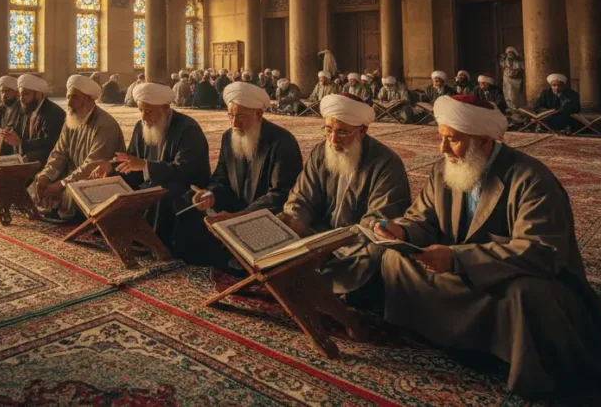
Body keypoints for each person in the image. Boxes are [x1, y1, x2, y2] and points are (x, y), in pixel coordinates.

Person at [375, 94, 601, 397]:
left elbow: (539, 252)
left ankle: (506, 354)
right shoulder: (443, 169)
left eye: (454, 140)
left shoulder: (531, 179)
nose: (443, 149)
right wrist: (402, 231)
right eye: (441, 138)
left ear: (485, 141)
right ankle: (441, 334)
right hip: (461, 273)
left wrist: (458, 259)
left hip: (506, 277)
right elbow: (424, 221)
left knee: (524, 294)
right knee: (395, 260)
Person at [280, 94, 410, 295]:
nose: (332, 139)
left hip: (356, 243)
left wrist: (335, 243)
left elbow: (380, 218)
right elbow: (302, 197)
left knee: (377, 253)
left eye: (342, 132)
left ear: (362, 131)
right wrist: (296, 220)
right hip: (319, 234)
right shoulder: (320, 153)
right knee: (283, 233)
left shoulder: (386, 163)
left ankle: (324, 286)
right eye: (328, 129)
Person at [187, 81, 302, 266]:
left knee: (234, 263)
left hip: (266, 216)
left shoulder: (282, 141)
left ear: (258, 113)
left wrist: (240, 217)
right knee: (192, 235)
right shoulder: (228, 137)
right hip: (234, 211)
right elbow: (221, 178)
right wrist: (210, 195)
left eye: (240, 116)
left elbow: (281, 194)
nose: (234, 123)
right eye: (230, 115)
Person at [109, 83, 211, 256]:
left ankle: (154, 241)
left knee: (159, 192)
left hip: (184, 187)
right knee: (114, 180)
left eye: (148, 111)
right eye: (141, 110)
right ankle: (122, 231)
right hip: (151, 180)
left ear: (165, 107)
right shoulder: (141, 126)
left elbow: (186, 171)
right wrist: (110, 166)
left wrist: (145, 165)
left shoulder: (187, 129)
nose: (144, 116)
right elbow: (132, 159)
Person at [31, 75, 125, 218]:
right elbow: (59, 153)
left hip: (96, 179)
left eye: (74, 97)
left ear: (88, 99)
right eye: (68, 97)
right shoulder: (72, 117)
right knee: (38, 182)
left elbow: (92, 166)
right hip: (73, 175)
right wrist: (47, 176)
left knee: (70, 194)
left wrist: (61, 184)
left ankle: (65, 212)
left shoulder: (105, 125)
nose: (68, 102)